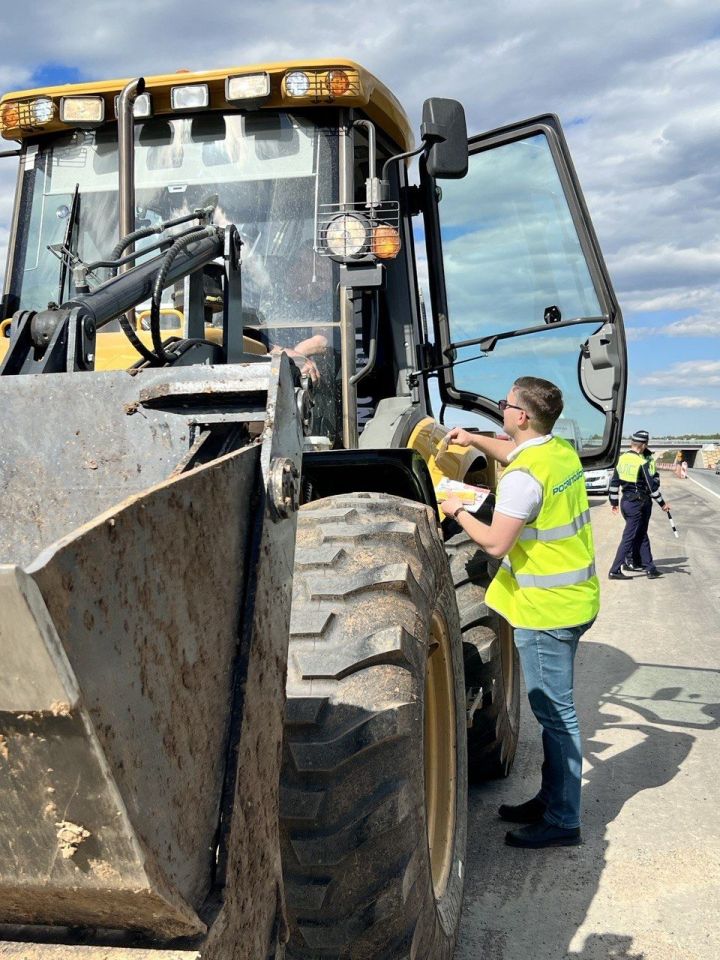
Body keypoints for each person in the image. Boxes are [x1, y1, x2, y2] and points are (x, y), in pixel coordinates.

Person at [441, 376, 598, 849]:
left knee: (555, 715)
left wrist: (456, 509)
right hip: (574, 599)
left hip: (546, 611)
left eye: (506, 405)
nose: (501, 411)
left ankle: (564, 820)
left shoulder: (523, 481)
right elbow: (512, 451)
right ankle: (551, 799)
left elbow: (494, 543)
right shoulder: (558, 452)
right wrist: (472, 440)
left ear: (522, 416)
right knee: (554, 713)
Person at [608, 430, 670, 580]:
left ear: (632, 443)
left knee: (641, 534)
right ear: (643, 446)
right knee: (629, 537)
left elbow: (614, 484)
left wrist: (614, 502)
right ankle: (615, 570)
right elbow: (651, 488)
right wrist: (662, 504)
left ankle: (650, 568)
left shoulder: (622, 459)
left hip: (625, 503)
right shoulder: (642, 463)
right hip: (638, 503)